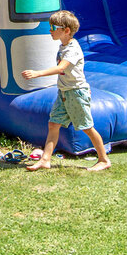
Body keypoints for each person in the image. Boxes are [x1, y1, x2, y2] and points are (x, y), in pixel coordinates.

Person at [20, 9, 111, 172]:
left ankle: (103, 159)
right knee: (53, 124)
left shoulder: (72, 49)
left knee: (87, 127)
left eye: (53, 28)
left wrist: (37, 73)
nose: (50, 31)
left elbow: (61, 68)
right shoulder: (64, 46)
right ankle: (45, 159)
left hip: (76, 93)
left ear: (66, 30)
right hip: (64, 92)